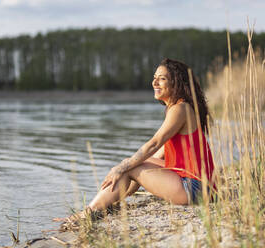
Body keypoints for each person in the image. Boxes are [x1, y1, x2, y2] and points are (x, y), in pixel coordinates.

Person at [54, 58, 216, 228]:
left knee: (131, 165)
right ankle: (109, 203)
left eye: (162, 78)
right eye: (154, 77)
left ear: (176, 82)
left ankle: (87, 213)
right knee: (132, 163)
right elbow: (159, 151)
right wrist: (126, 171)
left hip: (196, 189)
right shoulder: (177, 107)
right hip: (199, 185)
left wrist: (122, 168)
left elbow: (154, 143)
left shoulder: (180, 109)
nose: (154, 82)